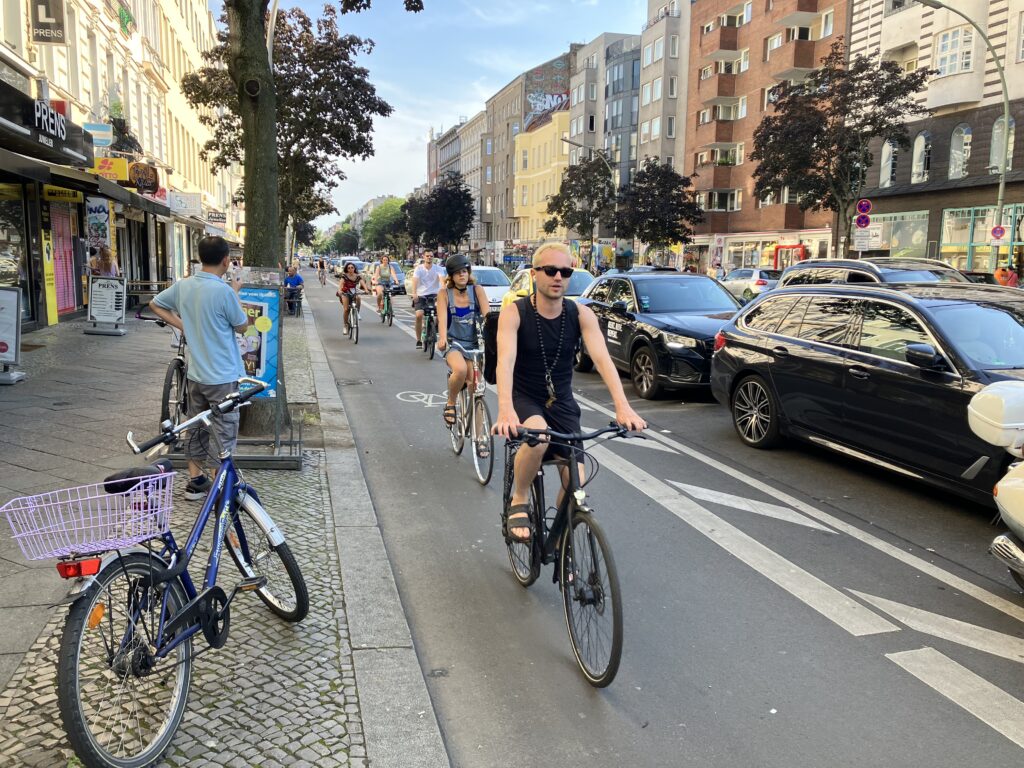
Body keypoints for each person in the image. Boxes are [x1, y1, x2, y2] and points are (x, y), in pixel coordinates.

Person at [492, 242, 647, 543]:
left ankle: (561, 542)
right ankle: (520, 499)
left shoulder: (580, 314)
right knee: (538, 437)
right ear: (535, 273)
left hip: (561, 402)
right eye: (550, 270)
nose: (558, 277)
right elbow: (505, 362)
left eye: (565, 271)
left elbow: (603, 359)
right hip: (524, 397)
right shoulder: (515, 313)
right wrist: (505, 409)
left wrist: (623, 407)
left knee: (576, 479)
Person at [150, 236, 249, 501]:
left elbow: (155, 304)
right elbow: (242, 326)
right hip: (223, 376)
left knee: (196, 426)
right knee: (224, 430)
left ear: (200, 257)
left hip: (196, 375)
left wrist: (182, 324)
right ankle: (219, 490)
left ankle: (195, 482)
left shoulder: (184, 286)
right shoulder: (224, 291)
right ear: (226, 260)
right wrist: (236, 291)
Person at [437, 254, 489, 429]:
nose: (462, 275)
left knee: (476, 388)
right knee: (459, 370)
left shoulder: (477, 290)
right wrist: (442, 338)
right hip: (454, 344)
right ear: (451, 275)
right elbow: (442, 320)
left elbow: (488, 317)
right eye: (458, 272)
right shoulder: (444, 294)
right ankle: (451, 403)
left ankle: (481, 436)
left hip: (474, 344)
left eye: (465, 271)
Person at [411, 251, 447, 349]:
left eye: (431, 256)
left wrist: (444, 290)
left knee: (440, 315)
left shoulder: (438, 269)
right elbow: (415, 281)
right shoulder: (419, 269)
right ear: (424, 257)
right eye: (427, 256)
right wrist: (414, 293)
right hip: (421, 294)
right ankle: (418, 340)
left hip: (435, 294)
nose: (429, 258)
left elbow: (442, 281)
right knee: (419, 315)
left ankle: (435, 331)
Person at [336, 261, 369, 333]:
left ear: (354, 268)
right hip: (345, 292)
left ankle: (357, 312)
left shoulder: (357, 276)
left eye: (352, 268)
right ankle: (345, 325)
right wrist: (339, 291)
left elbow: (362, 282)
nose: (350, 269)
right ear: (347, 269)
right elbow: (341, 284)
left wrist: (366, 290)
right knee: (346, 309)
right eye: (349, 268)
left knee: (358, 298)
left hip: (354, 291)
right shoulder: (344, 276)